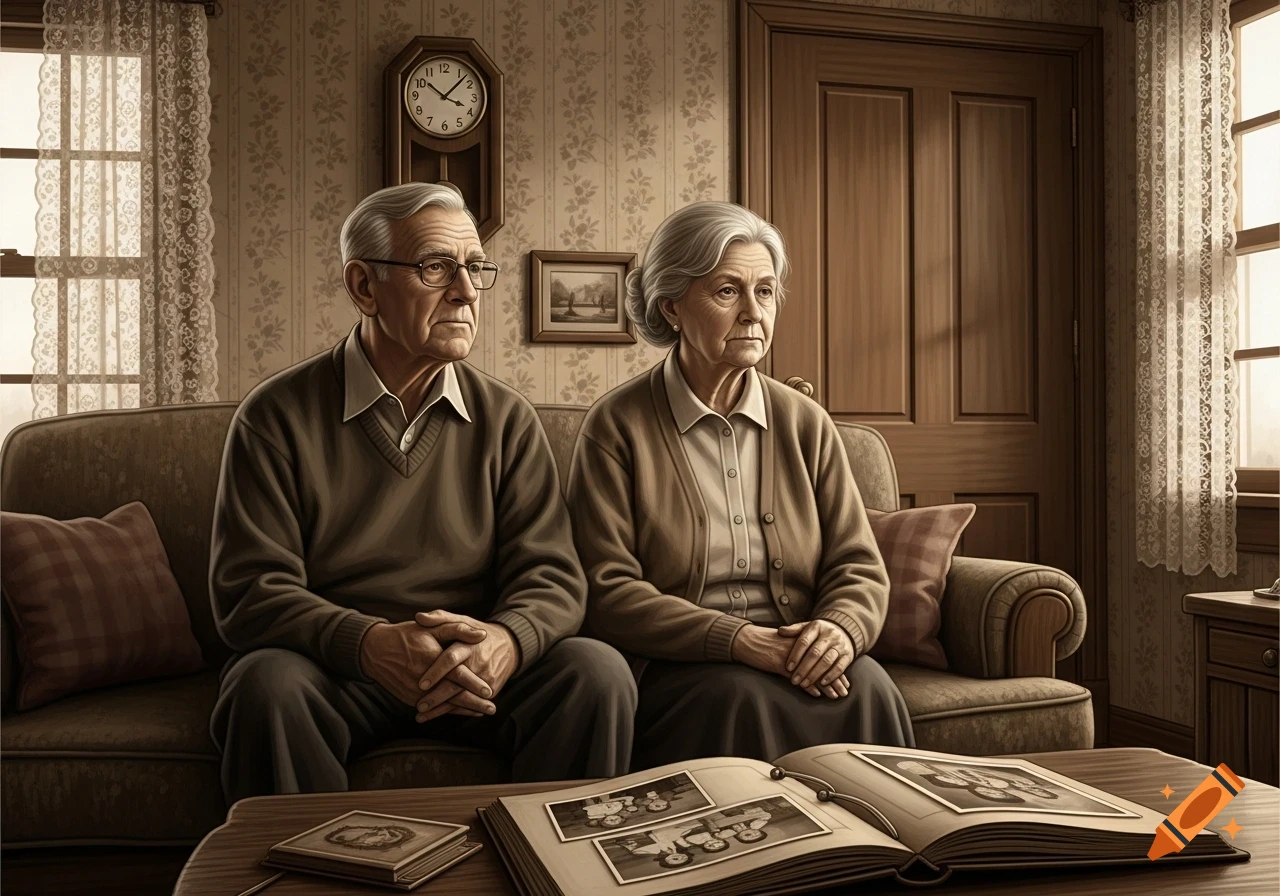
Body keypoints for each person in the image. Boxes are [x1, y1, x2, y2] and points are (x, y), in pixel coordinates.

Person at [209, 182, 635, 802]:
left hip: (479, 671)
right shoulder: (275, 417)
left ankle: (555, 874)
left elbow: (553, 575)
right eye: (437, 267)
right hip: (340, 672)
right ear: (363, 287)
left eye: (474, 268)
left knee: (597, 673)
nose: (465, 291)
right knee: (263, 686)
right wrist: (372, 644)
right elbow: (250, 592)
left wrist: (506, 642)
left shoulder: (508, 419)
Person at [567, 201, 914, 768]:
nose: (754, 313)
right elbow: (607, 589)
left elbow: (858, 564)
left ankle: (888, 855)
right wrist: (737, 640)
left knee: (869, 684)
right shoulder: (616, 426)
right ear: (672, 305)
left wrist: (837, 632)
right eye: (728, 291)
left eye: (767, 291)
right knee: (740, 694)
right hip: (683, 665)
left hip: (797, 645)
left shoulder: (805, 422)